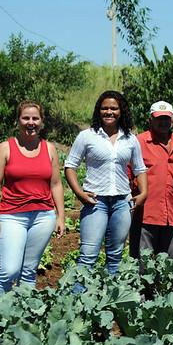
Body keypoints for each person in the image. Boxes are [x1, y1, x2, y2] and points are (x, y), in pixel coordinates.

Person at [65, 91, 147, 274]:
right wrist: (79, 193)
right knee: (88, 254)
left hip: (122, 203)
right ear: (98, 110)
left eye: (113, 108)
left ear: (121, 111)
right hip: (95, 202)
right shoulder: (87, 136)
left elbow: (139, 168)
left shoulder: (130, 138)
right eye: (105, 108)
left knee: (116, 256)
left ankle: (111, 299)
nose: (109, 112)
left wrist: (144, 193)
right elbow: (70, 166)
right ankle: (77, 300)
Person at [0, 102, 65, 294]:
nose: (31, 122)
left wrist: (60, 216)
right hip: (12, 216)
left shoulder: (49, 149)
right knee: (9, 270)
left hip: (43, 216)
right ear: (18, 120)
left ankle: (24, 316)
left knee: (29, 271)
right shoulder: (5, 148)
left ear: (41, 122)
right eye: (26, 118)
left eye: (35, 118)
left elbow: (56, 184)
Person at [128, 101, 173, 259]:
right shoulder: (139, 142)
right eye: (159, 118)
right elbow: (127, 174)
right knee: (142, 263)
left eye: (167, 118)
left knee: (170, 262)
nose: (163, 122)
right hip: (146, 212)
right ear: (150, 120)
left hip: (172, 213)